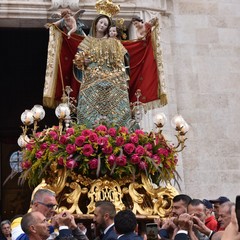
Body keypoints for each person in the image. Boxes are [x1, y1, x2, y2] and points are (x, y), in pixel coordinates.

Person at [73, 14, 135, 129]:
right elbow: (78, 59)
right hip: (92, 81)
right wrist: (83, 61)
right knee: (89, 111)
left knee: (116, 111)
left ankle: (118, 132)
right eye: (101, 22)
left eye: (105, 24)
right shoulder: (88, 41)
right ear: (96, 23)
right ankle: (87, 132)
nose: (102, 25)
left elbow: (124, 58)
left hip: (113, 81)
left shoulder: (113, 41)